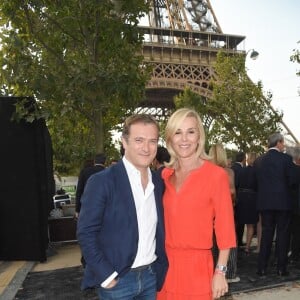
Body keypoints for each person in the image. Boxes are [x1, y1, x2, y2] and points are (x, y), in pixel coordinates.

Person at [77, 114, 168, 300]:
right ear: (124, 142)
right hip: (118, 280)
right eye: (139, 140)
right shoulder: (102, 181)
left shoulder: (158, 182)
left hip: (150, 277)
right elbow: (86, 232)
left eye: (152, 141)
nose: (146, 148)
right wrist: (107, 275)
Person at [157, 108, 236, 300]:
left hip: (197, 269)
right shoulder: (164, 176)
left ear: (199, 137)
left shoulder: (216, 176)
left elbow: (225, 229)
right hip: (165, 269)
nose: (184, 139)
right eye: (178, 132)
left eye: (190, 132)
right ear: (170, 139)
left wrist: (220, 272)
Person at [255, 132, 297, 277]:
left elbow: (256, 182)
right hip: (283, 203)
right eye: (283, 142)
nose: (284, 145)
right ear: (278, 142)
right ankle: (281, 268)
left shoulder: (259, 160)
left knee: (266, 235)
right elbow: (293, 181)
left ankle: (261, 268)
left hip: (265, 203)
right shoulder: (286, 159)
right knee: (283, 235)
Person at [209, 143, 240, 284]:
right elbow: (233, 191)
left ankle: (212, 271)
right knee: (228, 242)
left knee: (211, 244)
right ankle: (230, 273)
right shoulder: (228, 172)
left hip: (209, 214)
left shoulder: (206, 171)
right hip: (225, 211)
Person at [235, 152, 259, 255]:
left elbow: (237, 184)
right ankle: (247, 247)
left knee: (238, 223)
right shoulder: (257, 172)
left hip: (241, 197)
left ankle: (235, 245)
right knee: (250, 225)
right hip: (252, 198)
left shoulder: (241, 171)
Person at [75, 153, 107, 218]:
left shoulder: (84, 172)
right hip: (105, 209)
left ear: (94, 161)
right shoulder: (109, 173)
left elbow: (79, 191)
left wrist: (77, 209)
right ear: (105, 162)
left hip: (88, 208)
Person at [231, 151, 246, 248]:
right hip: (239, 197)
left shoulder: (232, 168)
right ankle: (238, 240)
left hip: (231, 198)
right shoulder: (242, 170)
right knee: (240, 221)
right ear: (243, 159)